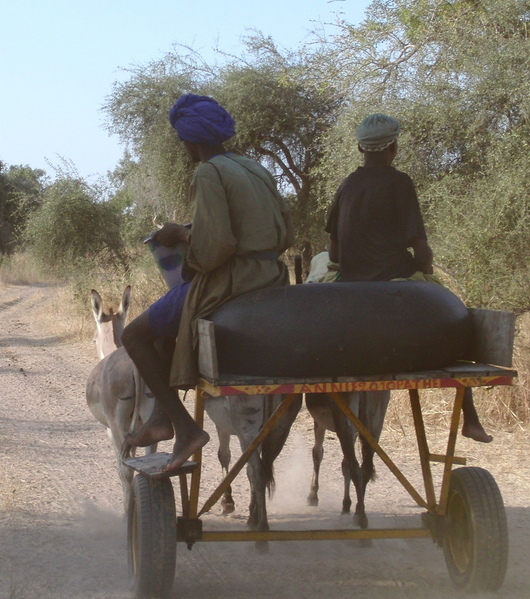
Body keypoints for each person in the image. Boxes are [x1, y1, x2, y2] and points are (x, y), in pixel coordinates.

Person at [122, 94, 295, 472]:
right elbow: (278, 229)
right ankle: (161, 418)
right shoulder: (254, 168)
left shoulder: (207, 172)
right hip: (270, 275)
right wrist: (191, 231)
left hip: (232, 282)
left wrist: (181, 239)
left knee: (134, 335)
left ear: (189, 140)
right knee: (167, 322)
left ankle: (182, 427)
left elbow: (217, 246)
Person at [325, 113, 493, 443]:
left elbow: (333, 255)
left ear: (361, 148)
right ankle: (470, 417)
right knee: (458, 318)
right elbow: (422, 250)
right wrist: (426, 268)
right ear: (394, 148)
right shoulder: (399, 183)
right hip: (395, 281)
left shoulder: (346, 185)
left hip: (350, 286)